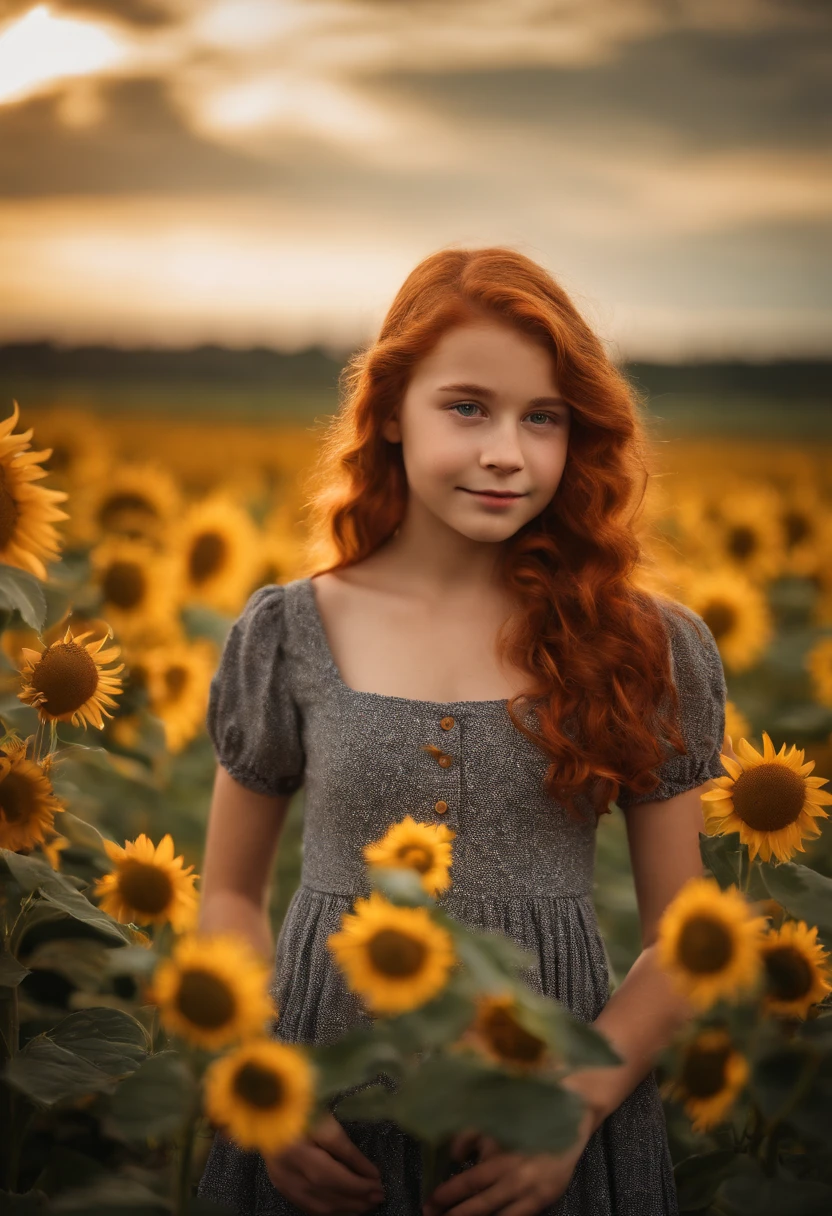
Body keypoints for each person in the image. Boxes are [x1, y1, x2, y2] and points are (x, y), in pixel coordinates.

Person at [196, 246, 728, 1216]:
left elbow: (686, 939)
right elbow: (230, 890)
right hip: (323, 1118)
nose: (505, 452)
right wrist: (259, 1075)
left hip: (550, 1128)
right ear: (391, 409)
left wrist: (577, 1105)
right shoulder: (290, 632)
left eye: (543, 417)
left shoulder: (641, 644)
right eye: (467, 407)